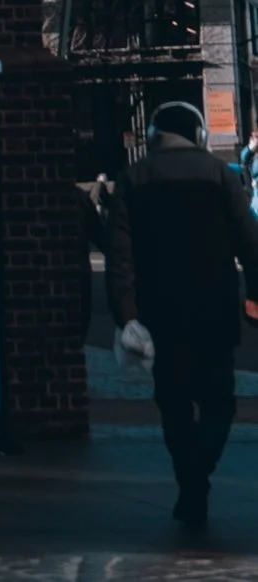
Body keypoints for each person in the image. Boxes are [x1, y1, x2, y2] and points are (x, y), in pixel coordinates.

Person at [106, 98, 258, 533]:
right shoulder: (218, 176)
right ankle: (199, 474)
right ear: (199, 135)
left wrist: (127, 314)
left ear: (154, 138)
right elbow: (250, 243)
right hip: (215, 310)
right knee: (219, 403)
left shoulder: (132, 179)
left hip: (161, 314)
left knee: (173, 406)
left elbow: (121, 259)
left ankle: (190, 483)